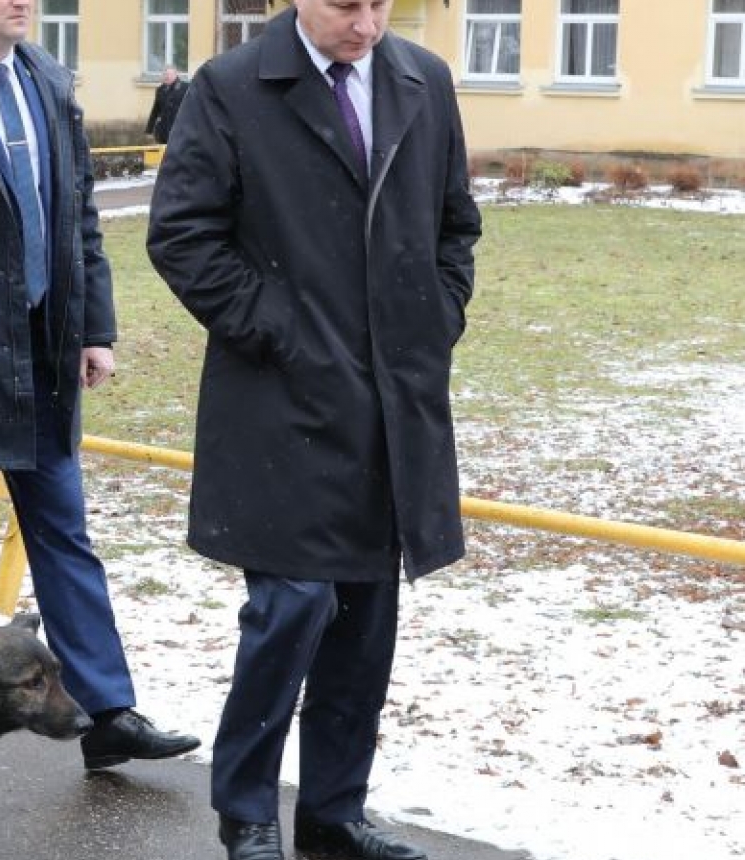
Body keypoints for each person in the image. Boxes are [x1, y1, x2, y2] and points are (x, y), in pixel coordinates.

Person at [145, 1, 482, 858]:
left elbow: (454, 225)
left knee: (366, 621)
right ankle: (248, 810)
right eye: (344, 5)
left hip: (391, 404)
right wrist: (282, 333)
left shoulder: (422, 79)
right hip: (282, 403)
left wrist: (434, 317)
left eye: (379, 4)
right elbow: (183, 236)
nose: (365, 24)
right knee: (291, 609)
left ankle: (334, 813)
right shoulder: (230, 87)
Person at [0, 0, 200, 771]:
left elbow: (78, 216)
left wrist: (95, 326)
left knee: (65, 534)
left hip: (41, 348)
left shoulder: (48, 82)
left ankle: (108, 711)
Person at [144, 64, 188, 145]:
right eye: (165, 74)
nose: (167, 77)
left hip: (180, 130)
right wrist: (149, 130)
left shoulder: (185, 87)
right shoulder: (160, 90)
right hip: (163, 131)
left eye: (169, 74)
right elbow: (155, 111)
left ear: (176, 74)